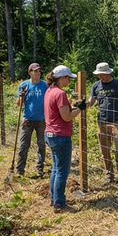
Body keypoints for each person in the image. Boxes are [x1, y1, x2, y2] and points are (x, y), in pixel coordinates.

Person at [44, 65, 85, 214]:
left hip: (49, 134)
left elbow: (61, 111)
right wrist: (80, 108)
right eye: (68, 78)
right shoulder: (60, 94)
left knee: (56, 168)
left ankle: (54, 199)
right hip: (60, 136)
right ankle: (60, 204)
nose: (69, 80)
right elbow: (66, 116)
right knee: (62, 171)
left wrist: (74, 106)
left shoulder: (49, 91)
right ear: (62, 78)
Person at [88, 62, 118, 189]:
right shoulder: (96, 86)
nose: (100, 77)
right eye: (99, 75)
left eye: (102, 75)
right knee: (104, 150)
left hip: (116, 121)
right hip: (102, 121)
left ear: (108, 73)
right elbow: (91, 102)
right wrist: (82, 103)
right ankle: (109, 175)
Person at [15, 62, 48, 178]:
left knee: (41, 145)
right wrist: (21, 96)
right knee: (23, 145)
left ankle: (40, 169)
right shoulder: (24, 85)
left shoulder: (44, 85)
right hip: (27, 119)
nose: (38, 73)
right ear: (30, 72)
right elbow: (19, 104)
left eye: (39, 71)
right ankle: (20, 171)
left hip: (42, 120)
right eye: (35, 71)